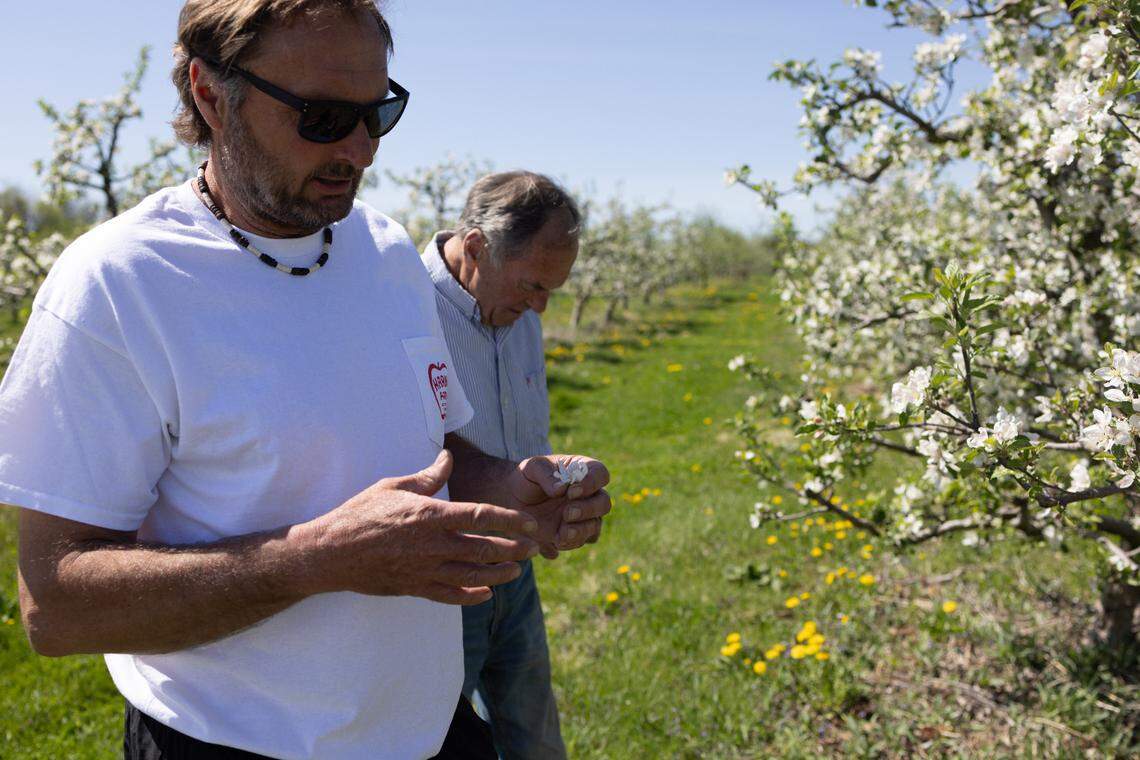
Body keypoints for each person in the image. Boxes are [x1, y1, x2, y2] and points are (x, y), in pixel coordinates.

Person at [0, 2, 611, 758]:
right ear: (209, 94)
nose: (360, 150)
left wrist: (509, 484)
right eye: (322, 117)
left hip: (426, 729)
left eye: (378, 113)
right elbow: (55, 606)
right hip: (234, 742)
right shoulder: (119, 286)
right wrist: (316, 558)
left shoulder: (386, 251)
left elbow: (439, 440)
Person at [421, 171, 580, 759]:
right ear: (478, 246)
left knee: (534, 735)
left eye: (552, 292)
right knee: (437, 740)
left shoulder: (520, 311)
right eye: (534, 285)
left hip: (515, 565)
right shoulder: (406, 307)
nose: (540, 306)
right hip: (440, 579)